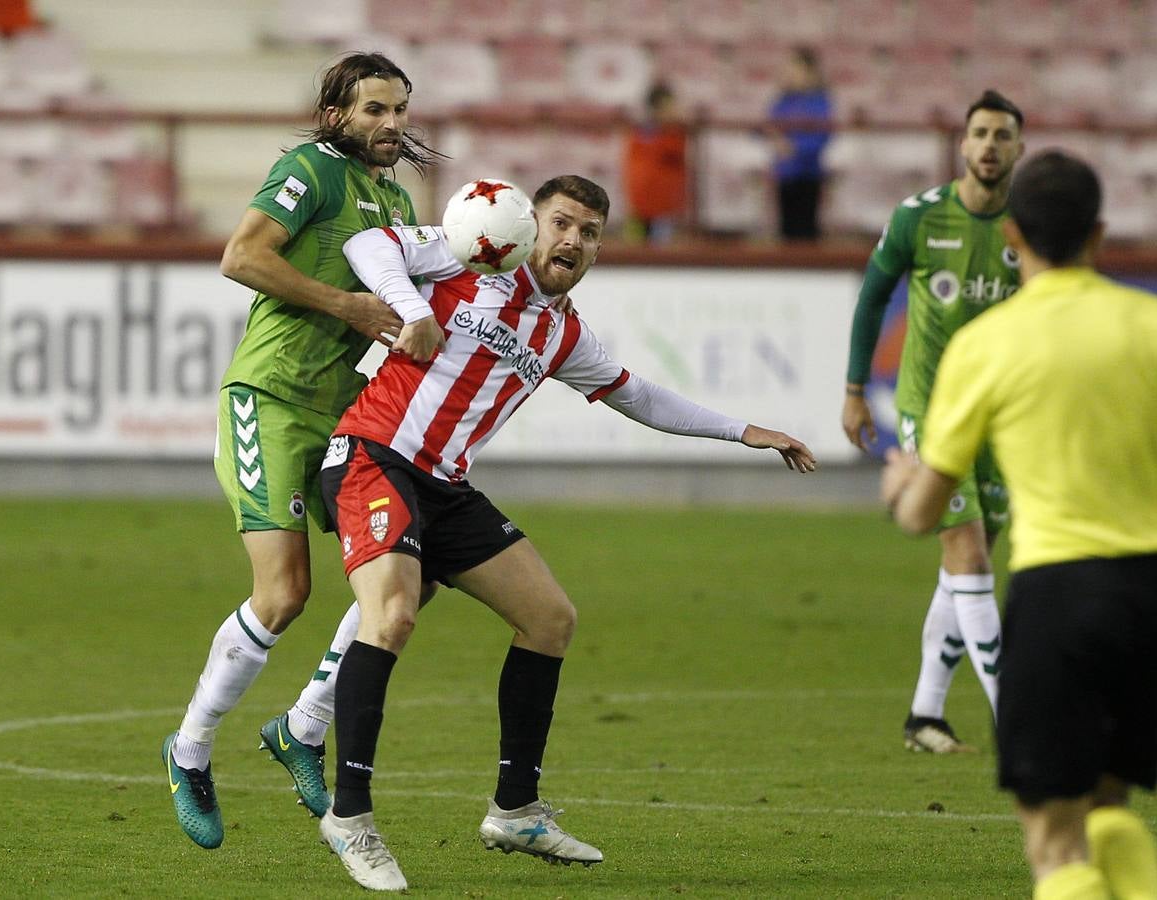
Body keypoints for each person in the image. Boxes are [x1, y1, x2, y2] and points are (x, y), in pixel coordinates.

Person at [316, 175, 817, 891]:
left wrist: (745, 432)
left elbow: (641, 396)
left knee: (550, 619)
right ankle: (350, 815)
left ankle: (515, 808)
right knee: (391, 614)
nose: (573, 241)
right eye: (562, 223)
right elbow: (370, 244)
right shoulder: (471, 254)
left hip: (446, 486)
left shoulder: (563, 332)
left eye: (589, 232)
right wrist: (407, 308)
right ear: (531, 223)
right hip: (374, 454)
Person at [161, 51, 444, 850]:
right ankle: (188, 752)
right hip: (271, 399)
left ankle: (304, 725)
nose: (392, 125)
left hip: (342, 407)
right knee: (284, 594)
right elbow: (241, 256)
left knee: (406, 559)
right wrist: (346, 306)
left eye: (400, 110)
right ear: (335, 116)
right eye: (375, 110)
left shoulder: (391, 194)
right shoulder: (309, 170)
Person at [881, 150, 1157, 900]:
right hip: (1153, 589)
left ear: (1013, 235)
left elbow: (922, 513)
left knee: (1053, 842)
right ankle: (1128, 864)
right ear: (1099, 234)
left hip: (1061, 592)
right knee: (1111, 805)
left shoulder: (988, 344)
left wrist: (898, 484)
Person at [842, 89, 1025, 754]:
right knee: (968, 554)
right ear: (962, 144)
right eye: (979, 133)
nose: (988, 146)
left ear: (1017, 150)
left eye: (1002, 136)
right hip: (932, 413)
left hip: (1001, 418)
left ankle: (925, 714)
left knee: (965, 571)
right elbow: (872, 298)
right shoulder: (920, 217)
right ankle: (1016, 721)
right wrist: (856, 388)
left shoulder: (1026, 227)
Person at [767, 46, 832, 241]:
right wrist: (775, 139)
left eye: (796, 69)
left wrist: (794, 148)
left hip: (807, 175)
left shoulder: (820, 101)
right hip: (785, 175)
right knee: (786, 231)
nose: (791, 75)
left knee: (806, 231)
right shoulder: (784, 100)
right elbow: (769, 124)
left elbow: (822, 136)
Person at [622, 82, 688, 244]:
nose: (674, 111)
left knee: (662, 251)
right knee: (637, 250)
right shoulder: (645, 134)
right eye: (669, 107)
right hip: (644, 206)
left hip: (664, 208)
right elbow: (639, 172)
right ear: (656, 108)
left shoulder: (674, 134)